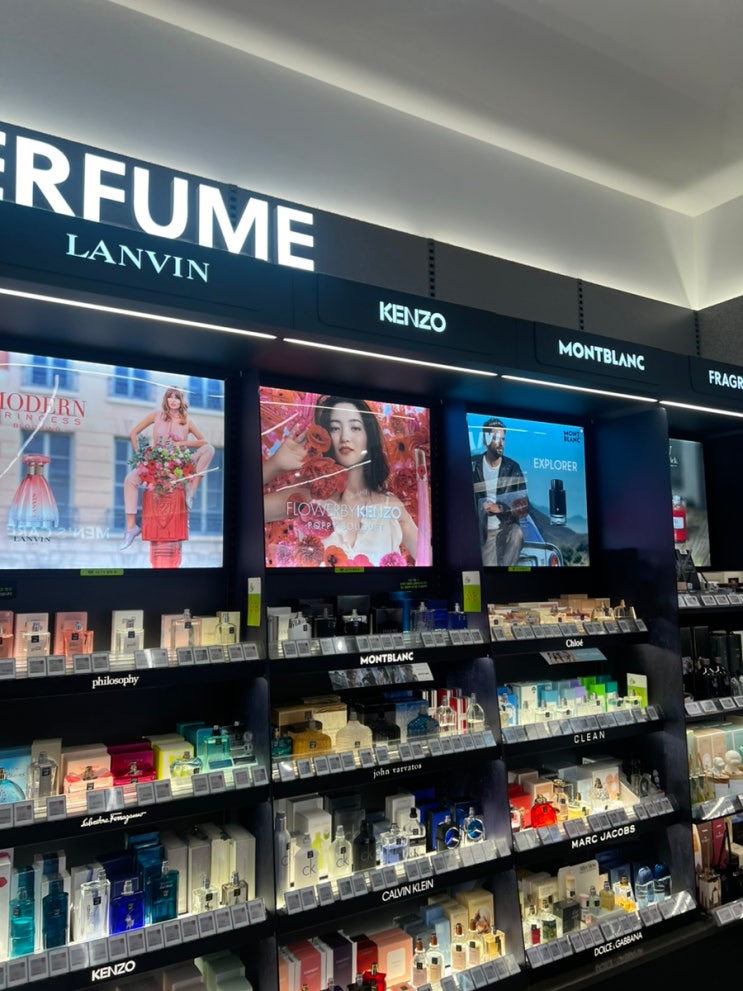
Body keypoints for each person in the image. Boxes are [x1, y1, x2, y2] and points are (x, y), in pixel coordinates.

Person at [263, 396, 418, 565]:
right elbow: (243, 509)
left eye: (355, 427)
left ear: (369, 436)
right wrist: (275, 464)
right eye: (335, 428)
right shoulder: (306, 501)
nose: (345, 437)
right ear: (326, 437)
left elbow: (430, 558)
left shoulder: (391, 507)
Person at [120, 387, 215, 549]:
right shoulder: (155, 415)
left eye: (177, 398)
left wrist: (181, 443)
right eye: (170, 397)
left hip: (180, 463)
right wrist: (140, 457)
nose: (173, 400)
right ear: (166, 399)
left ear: (181, 401)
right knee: (130, 479)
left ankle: (191, 493)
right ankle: (131, 528)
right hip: (156, 462)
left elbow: (203, 441)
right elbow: (134, 432)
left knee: (209, 449)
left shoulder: (186, 421)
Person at [471, 417, 527, 566]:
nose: (501, 443)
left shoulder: (513, 468)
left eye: (503, 439)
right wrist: (481, 509)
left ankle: (507, 576)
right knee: (488, 571)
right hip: (483, 532)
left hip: (505, 528)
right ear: (486, 440)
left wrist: (500, 508)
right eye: (496, 438)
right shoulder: (472, 465)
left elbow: (523, 506)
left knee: (517, 533)